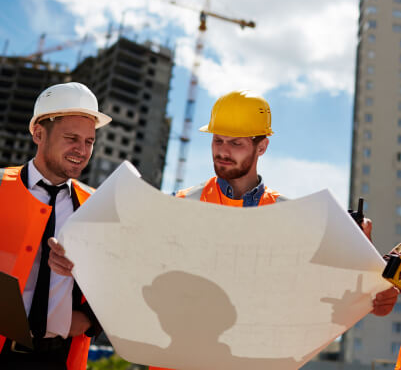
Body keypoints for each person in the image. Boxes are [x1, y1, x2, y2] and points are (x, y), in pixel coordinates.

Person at [50, 89, 398, 368]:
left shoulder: (294, 218)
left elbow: (352, 303)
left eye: (236, 143)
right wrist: (76, 260)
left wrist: (377, 294)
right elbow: (123, 267)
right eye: (218, 141)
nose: (223, 152)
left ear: (262, 146)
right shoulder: (176, 205)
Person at [0, 82, 111, 370]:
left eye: (89, 141)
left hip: (57, 358)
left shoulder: (98, 206)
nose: (82, 150)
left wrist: (90, 317)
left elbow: (121, 275)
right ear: (38, 133)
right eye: (72, 138)